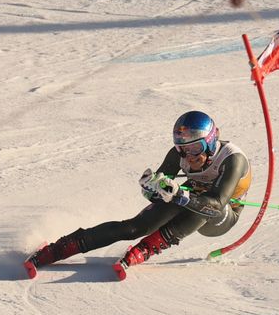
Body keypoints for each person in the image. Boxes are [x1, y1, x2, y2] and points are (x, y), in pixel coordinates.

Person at [24, 110, 252, 280]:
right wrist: (152, 188)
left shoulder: (232, 159)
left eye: (195, 148)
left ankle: (148, 247)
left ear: (210, 142)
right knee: (135, 227)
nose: (188, 156)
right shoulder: (178, 155)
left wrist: (179, 196)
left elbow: (216, 203)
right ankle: (60, 248)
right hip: (192, 195)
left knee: (201, 209)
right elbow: (160, 195)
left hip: (222, 215)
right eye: (182, 149)